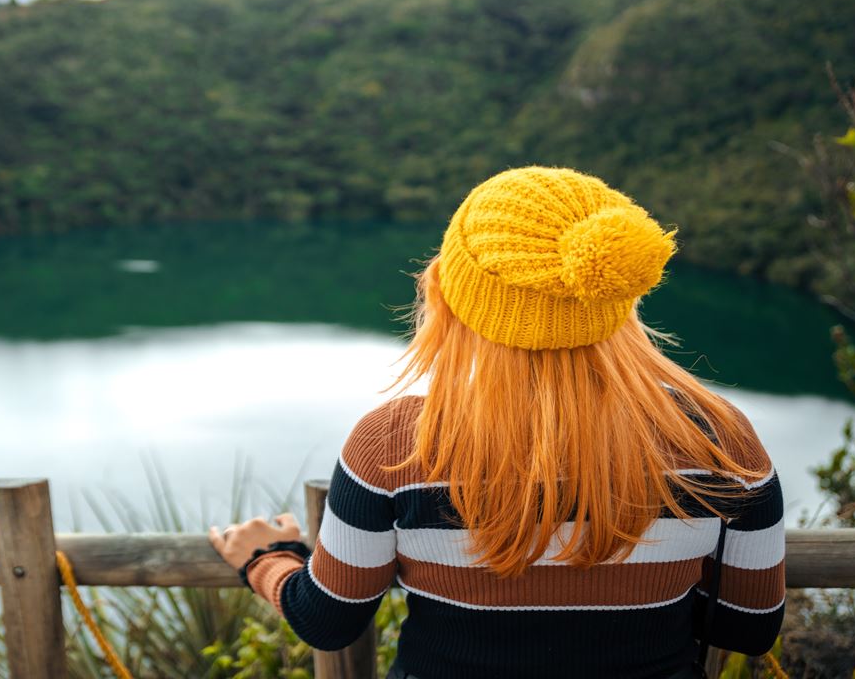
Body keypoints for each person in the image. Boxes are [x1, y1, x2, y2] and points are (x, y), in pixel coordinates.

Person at [209, 167, 785, 679]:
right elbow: (749, 627)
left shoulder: (395, 443)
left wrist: (266, 558)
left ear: (451, 296)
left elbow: (328, 620)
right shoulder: (717, 438)